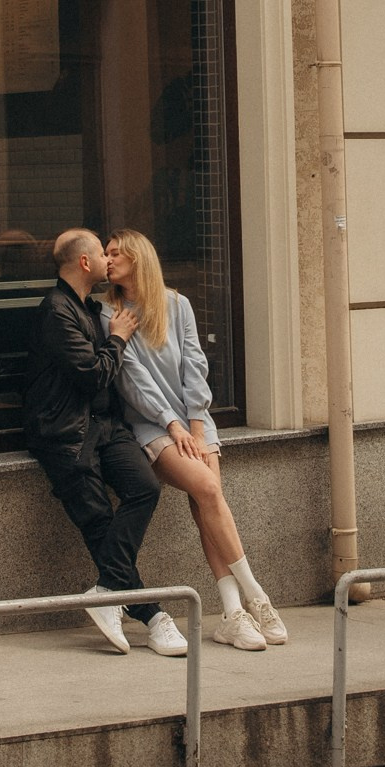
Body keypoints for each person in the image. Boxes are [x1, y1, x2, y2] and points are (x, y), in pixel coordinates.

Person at [101, 229, 287, 651]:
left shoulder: (176, 304)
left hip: (195, 422)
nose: (107, 260)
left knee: (207, 504)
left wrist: (198, 428)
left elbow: (195, 365)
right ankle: (257, 594)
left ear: (137, 257)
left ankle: (232, 615)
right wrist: (173, 426)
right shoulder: (109, 312)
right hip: (152, 425)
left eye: (115, 253)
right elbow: (133, 380)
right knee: (207, 487)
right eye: (105, 254)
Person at [21, 227, 188, 657]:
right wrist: (117, 338)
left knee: (145, 488)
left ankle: (106, 590)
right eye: (102, 253)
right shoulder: (56, 310)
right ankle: (153, 615)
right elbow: (92, 375)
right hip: (65, 435)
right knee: (98, 522)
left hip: (106, 427)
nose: (108, 260)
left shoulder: (92, 307)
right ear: (84, 263)